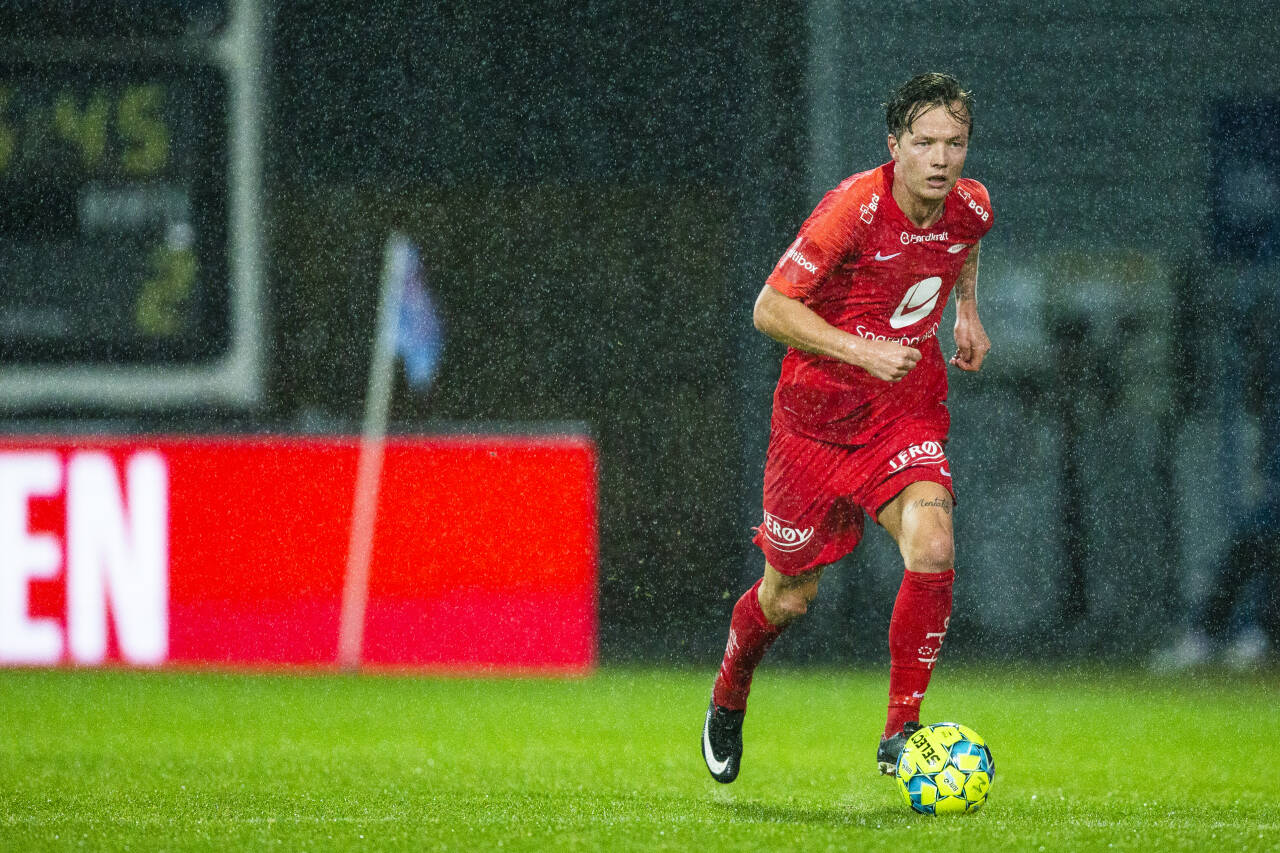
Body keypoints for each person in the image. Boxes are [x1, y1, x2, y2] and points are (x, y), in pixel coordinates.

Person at [701, 72, 995, 783]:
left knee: (934, 540)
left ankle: (902, 731)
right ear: (894, 146)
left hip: (901, 411)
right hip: (815, 421)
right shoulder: (855, 209)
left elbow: (963, 244)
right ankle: (731, 686)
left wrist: (967, 311)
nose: (940, 157)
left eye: (954, 142)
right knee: (789, 596)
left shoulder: (972, 207)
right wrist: (862, 349)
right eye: (924, 142)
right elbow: (769, 307)